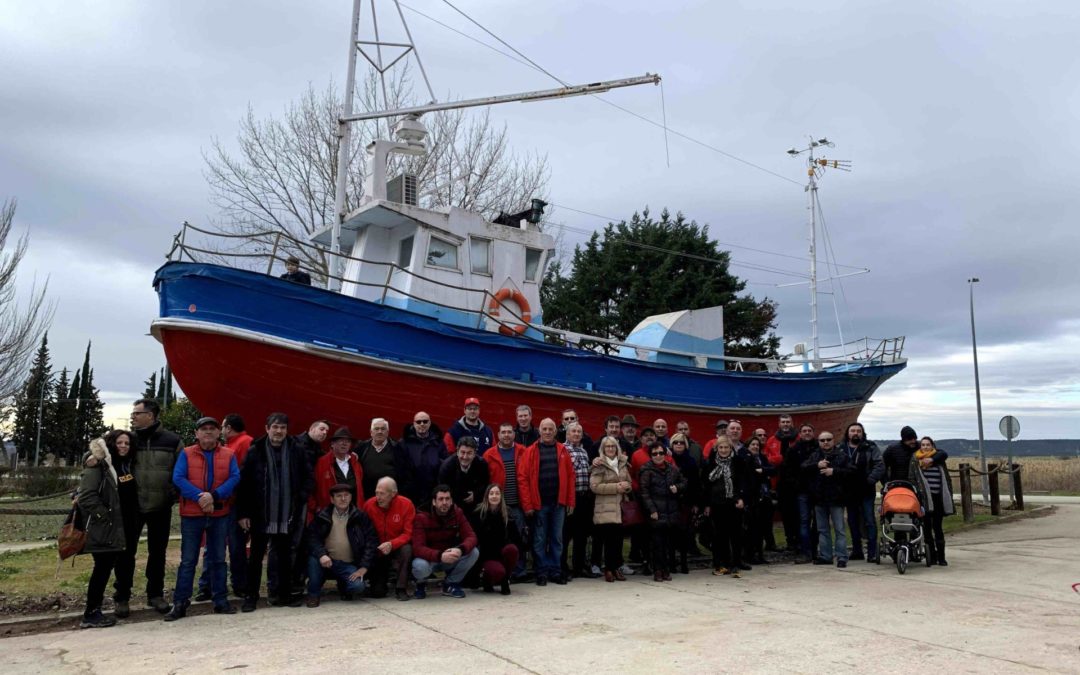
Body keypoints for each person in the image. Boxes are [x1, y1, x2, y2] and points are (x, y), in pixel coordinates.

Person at [164, 417, 241, 621]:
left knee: (218, 559)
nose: (208, 432)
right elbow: (178, 478)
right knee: (188, 560)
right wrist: (200, 496)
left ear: (219, 433)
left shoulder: (229, 454)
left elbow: (235, 477)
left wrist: (213, 496)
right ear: (196, 433)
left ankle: (220, 600)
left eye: (212, 429)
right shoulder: (187, 453)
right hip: (192, 514)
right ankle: (180, 602)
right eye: (203, 429)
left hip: (219, 513)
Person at [237, 413, 312, 611]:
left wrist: (300, 497)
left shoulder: (297, 450)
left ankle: (284, 595)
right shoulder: (255, 451)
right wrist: (243, 513)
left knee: (285, 556)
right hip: (261, 512)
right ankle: (251, 596)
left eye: (283, 428)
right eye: (275, 427)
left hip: (287, 512)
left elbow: (307, 477)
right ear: (267, 428)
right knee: (255, 557)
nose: (279, 431)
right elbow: (244, 484)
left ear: (287, 430)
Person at [125, 398, 182, 614]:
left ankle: (155, 594)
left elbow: (181, 470)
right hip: (132, 506)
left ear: (151, 415)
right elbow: (101, 454)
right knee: (126, 553)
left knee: (157, 553)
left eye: (137, 413)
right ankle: (122, 596)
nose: (133, 416)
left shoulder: (172, 441)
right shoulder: (127, 439)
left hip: (161, 506)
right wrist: (90, 458)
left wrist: (173, 494)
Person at [195, 414, 252, 599]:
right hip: (216, 503)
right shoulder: (228, 446)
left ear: (226, 428)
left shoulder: (243, 443)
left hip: (232, 504)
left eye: (220, 426)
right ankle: (210, 585)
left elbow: (242, 479)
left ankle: (236, 585)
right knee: (214, 546)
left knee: (233, 547)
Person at [78, 436, 128, 628]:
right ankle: (91, 613)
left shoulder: (114, 465)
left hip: (112, 526)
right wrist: (104, 516)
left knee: (104, 568)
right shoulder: (97, 465)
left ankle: (93, 610)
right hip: (103, 527)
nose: (123, 446)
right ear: (110, 445)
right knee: (101, 569)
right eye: (119, 442)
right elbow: (87, 495)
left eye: (127, 443)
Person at [519, 418, 576, 585]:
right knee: (540, 539)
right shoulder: (530, 451)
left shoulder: (563, 450)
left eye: (551, 429)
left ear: (555, 431)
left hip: (558, 503)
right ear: (539, 431)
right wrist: (528, 505)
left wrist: (570, 501)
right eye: (545, 429)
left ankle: (555, 570)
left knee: (557, 539)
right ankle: (541, 571)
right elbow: (522, 479)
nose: (548, 432)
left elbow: (571, 476)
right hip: (539, 504)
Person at [304, 484, 377, 607]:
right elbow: (312, 538)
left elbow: (371, 541)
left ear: (351, 497)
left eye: (346, 495)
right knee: (313, 560)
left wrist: (364, 567)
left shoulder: (360, 517)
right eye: (339, 496)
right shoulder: (322, 516)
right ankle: (313, 595)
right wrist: (322, 554)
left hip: (347, 564)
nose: (343, 499)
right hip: (326, 561)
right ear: (332, 499)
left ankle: (344, 587)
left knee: (357, 586)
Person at [411, 485, 480, 599]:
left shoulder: (457, 513)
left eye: (447, 499)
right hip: (429, 560)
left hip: (449, 557)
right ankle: (420, 584)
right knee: (420, 566)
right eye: (441, 499)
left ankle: (451, 584)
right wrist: (439, 556)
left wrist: (460, 549)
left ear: (451, 500)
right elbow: (418, 548)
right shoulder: (421, 517)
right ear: (434, 502)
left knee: (474, 552)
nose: (445, 502)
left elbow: (471, 536)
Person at [482, 423, 528, 579]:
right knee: (498, 538)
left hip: (518, 503)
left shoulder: (523, 451)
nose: (506, 435)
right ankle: (500, 569)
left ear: (514, 435)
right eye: (503, 432)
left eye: (509, 432)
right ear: (498, 434)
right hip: (498, 505)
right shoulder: (489, 454)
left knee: (518, 538)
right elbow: (486, 480)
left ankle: (519, 570)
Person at [702, 436, 750, 577]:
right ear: (717, 448)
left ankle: (735, 563)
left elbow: (744, 482)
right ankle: (720, 563)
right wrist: (706, 504)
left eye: (726, 447)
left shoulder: (738, 462)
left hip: (733, 502)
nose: (724, 450)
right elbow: (705, 485)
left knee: (735, 535)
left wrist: (741, 498)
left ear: (731, 448)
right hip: (716, 504)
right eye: (721, 447)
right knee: (718, 536)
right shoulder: (710, 463)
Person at [639, 439, 687, 581]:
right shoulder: (646, 470)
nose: (658, 456)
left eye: (661, 453)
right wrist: (651, 509)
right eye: (655, 454)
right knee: (657, 543)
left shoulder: (672, 469)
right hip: (656, 511)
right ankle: (657, 570)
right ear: (651, 455)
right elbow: (644, 492)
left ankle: (666, 569)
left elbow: (684, 482)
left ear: (665, 454)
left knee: (668, 543)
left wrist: (677, 487)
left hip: (671, 510)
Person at [802, 431, 852, 567]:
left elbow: (851, 472)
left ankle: (842, 557)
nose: (825, 442)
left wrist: (834, 471)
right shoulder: (815, 455)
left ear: (833, 440)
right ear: (818, 442)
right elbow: (803, 468)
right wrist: (816, 465)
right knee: (822, 530)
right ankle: (826, 556)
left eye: (828, 439)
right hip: (819, 498)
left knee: (839, 529)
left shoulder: (842, 455)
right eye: (822, 440)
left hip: (837, 498)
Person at [362, 477, 415, 600]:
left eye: (382, 494)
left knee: (407, 549)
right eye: (376, 493)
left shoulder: (406, 504)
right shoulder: (369, 505)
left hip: (396, 547)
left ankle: (401, 587)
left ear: (393, 494)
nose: (378, 497)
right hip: (377, 549)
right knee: (378, 593)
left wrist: (392, 544)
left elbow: (408, 533)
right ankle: (375, 583)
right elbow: (364, 533)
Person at [590, 437, 632, 582]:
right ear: (603, 448)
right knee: (608, 541)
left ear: (617, 448)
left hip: (620, 507)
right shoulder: (599, 464)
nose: (610, 449)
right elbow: (594, 487)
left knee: (618, 541)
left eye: (613, 446)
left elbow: (629, 482)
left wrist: (627, 486)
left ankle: (616, 568)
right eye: (607, 446)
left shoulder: (623, 463)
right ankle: (608, 569)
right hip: (605, 508)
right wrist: (616, 487)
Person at [841, 423, 884, 562]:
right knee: (852, 520)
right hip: (849, 490)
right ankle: (857, 550)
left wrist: (870, 479)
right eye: (852, 430)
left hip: (866, 489)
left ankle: (872, 551)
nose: (855, 433)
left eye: (858, 431)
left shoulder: (870, 447)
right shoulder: (841, 448)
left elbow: (879, 465)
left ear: (862, 433)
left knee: (869, 520)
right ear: (848, 433)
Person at [561, 422, 599, 579]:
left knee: (581, 534)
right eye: (573, 431)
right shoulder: (563, 449)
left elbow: (583, 471)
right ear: (567, 434)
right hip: (570, 497)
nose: (576, 434)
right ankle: (563, 567)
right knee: (565, 534)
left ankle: (579, 566)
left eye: (579, 432)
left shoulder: (583, 451)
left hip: (584, 497)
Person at [474, 484, 523, 595]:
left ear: (501, 496)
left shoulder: (507, 513)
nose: (494, 496)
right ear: (487, 496)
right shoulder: (479, 513)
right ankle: (487, 578)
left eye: (497, 493)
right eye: (491, 494)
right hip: (486, 556)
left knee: (512, 550)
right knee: (497, 572)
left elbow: (516, 537)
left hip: (502, 553)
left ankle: (505, 580)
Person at [781, 423, 819, 562]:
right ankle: (805, 551)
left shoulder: (819, 448)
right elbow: (787, 470)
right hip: (802, 491)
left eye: (810, 430)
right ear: (800, 434)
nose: (807, 433)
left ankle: (816, 550)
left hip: (818, 491)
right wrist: (796, 485)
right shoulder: (793, 450)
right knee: (803, 521)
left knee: (818, 522)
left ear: (813, 433)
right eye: (804, 431)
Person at [917, 436, 954, 566]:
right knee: (926, 528)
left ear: (933, 446)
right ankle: (931, 556)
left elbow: (944, 454)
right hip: (925, 500)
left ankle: (941, 557)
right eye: (923, 445)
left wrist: (932, 459)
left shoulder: (939, 460)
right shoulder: (916, 461)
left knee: (937, 527)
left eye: (928, 445)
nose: (925, 447)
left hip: (938, 498)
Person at [310, 427, 363, 514]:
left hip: (353, 513)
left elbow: (360, 489)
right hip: (329, 513)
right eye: (340, 440)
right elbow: (311, 488)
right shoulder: (321, 463)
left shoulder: (356, 464)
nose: (344, 444)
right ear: (332, 444)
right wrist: (315, 508)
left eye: (348, 441)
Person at [438, 436, 490, 524]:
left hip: (476, 506)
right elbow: (442, 489)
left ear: (474, 454)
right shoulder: (447, 467)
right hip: (453, 506)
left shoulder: (482, 464)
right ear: (457, 452)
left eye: (469, 453)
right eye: (462, 452)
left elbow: (486, 484)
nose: (465, 457)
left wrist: (476, 494)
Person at [767, 414, 800, 552]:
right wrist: (782, 458)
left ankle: (799, 541)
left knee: (798, 513)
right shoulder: (772, 440)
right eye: (783, 422)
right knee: (785, 513)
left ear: (792, 423)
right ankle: (789, 541)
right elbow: (768, 459)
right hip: (780, 482)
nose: (785, 424)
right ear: (779, 424)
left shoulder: (798, 439)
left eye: (788, 422)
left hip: (797, 482)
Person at [357, 418, 408, 501]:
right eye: (376, 429)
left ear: (387, 432)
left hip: (391, 497)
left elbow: (405, 473)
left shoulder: (398, 449)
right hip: (368, 495)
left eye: (383, 429)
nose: (380, 431)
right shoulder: (361, 448)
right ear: (371, 432)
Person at [668, 432, 699, 572]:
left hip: (686, 500)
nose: (678, 445)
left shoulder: (691, 461)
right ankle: (672, 563)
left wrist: (695, 503)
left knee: (685, 533)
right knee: (671, 534)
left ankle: (684, 562)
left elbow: (696, 483)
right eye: (676, 442)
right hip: (670, 501)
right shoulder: (667, 460)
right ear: (672, 445)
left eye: (681, 442)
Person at [742, 436, 775, 565]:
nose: (755, 447)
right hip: (752, 497)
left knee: (763, 527)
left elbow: (773, 470)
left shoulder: (762, 458)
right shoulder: (746, 458)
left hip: (764, 496)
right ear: (748, 446)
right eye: (752, 445)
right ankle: (750, 554)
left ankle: (760, 554)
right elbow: (748, 475)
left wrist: (763, 471)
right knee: (751, 528)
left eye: (757, 445)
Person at [399, 412, 444, 505]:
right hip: (411, 492)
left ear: (430, 423)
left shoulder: (439, 442)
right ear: (414, 424)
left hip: (433, 490)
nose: (422, 424)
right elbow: (400, 467)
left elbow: (445, 463)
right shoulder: (404, 443)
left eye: (425, 421)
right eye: (418, 422)